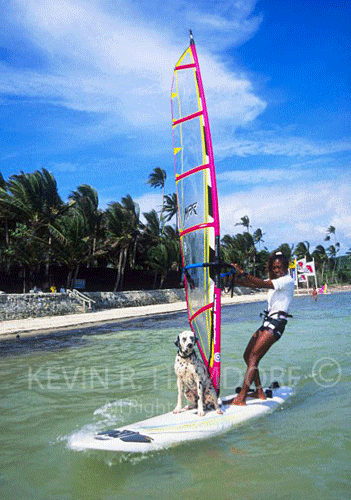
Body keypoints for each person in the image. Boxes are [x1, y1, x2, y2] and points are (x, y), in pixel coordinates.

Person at [230, 251, 295, 406]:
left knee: (254, 357)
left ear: (285, 267)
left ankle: (242, 397)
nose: (277, 270)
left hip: (277, 324)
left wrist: (243, 272)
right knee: (247, 355)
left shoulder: (287, 281)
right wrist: (232, 279)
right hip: (267, 323)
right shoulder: (275, 281)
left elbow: (261, 284)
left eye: (279, 267)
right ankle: (259, 392)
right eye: (274, 267)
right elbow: (254, 284)